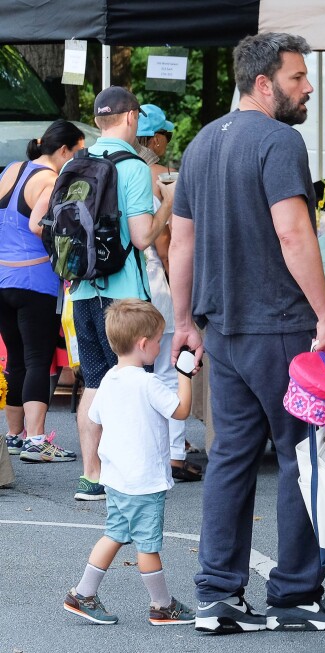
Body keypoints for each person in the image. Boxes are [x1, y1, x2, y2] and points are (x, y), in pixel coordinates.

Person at [169, 32, 325, 634]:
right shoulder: (280, 141)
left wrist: (184, 322)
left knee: (230, 458)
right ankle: (296, 593)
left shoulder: (202, 143)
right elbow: (294, 234)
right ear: (264, 84)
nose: (306, 88)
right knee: (302, 454)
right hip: (281, 325)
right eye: (298, 77)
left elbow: (182, 241)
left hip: (221, 327)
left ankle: (217, 596)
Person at [64, 299, 196, 626]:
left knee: (114, 534)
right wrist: (185, 375)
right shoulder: (148, 383)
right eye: (157, 340)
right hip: (143, 481)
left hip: (117, 477)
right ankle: (162, 605)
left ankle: (83, 592)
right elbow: (180, 411)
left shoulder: (110, 378)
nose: (159, 345)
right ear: (143, 344)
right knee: (147, 546)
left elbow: (95, 416)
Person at [71, 87, 174, 501]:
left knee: (94, 379)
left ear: (98, 121)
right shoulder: (131, 167)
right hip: (124, 295)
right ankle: (131, 472)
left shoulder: (76, 163)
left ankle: (91, 475)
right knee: (131, 379)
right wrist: (168, 202)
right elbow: (143, 235)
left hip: (82, 289)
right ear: (131, 118)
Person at [0, 119, 84, 463]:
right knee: (38, 359)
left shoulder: (11, 169)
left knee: (15, 358)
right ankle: (36, 439)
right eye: (77, 153)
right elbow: (38, 225)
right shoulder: (51, 180)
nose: (78, 160)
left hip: (3, 278)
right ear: (63, 150)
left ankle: (14, 436)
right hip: (36, 281)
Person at [136, 105, 201, 482]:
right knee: (168, 368)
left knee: (130, 370)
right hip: (158, 283)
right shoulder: (161, 177)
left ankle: (148, 451)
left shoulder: (117, 170)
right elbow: (166, 244)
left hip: (123, 285)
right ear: (157, 139)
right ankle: (173, 454)